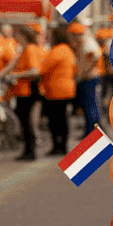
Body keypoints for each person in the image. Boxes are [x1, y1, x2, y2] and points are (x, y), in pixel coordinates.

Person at [1, 24, 42, 161]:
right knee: (24, 121)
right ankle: (28, 150)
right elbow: (12, 65)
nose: (14, 36)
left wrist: (15, 76)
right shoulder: (24, 49)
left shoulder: (30, 49)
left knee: (26, 122)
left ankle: (30, 151)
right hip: (22, 91)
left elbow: (35, 71)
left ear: (23, 35)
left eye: (17, 34)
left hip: (27, 91)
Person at [40, 26, 77, 155]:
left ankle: (58, 146)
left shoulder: (57, 50)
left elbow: (43, 67)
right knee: (63, 120)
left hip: (56, 91)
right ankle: (63, 146)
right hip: (67, 89)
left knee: (55, 121)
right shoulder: (67, 50)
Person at [69, 20, 102, 136]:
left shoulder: (86, 41)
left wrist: (86, 72)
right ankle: (90, 131)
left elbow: (96, 56)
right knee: (88, 106)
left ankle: (92, 132)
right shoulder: (82, 42)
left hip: (90, 78)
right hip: (87, 78)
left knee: (91, 107)